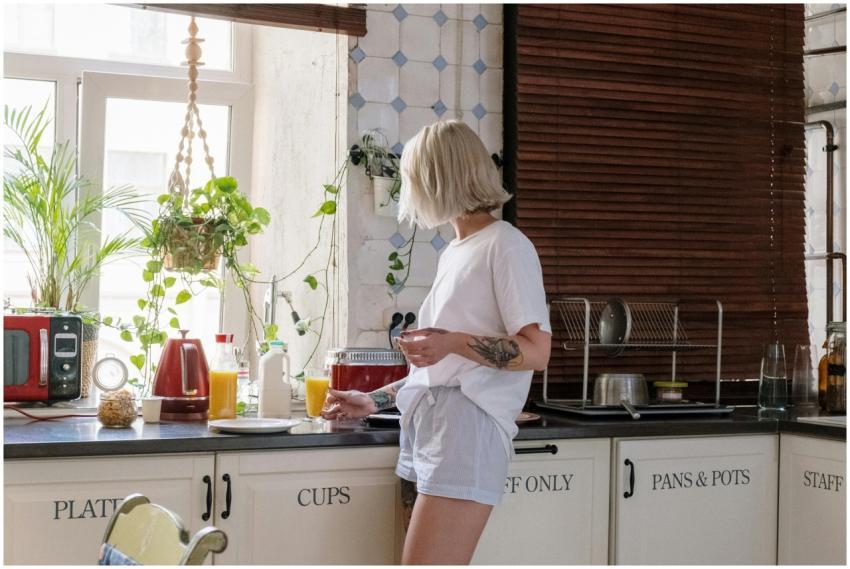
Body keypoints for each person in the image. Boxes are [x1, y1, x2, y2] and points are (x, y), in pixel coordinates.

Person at [322, 119, 551, 565]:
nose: (410, 192)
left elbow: (535, 351)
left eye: (413, 180)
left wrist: (451, 342)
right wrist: (373, 400)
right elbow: (439, 368)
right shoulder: (456, 251)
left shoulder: (507, 246)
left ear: (436, 179)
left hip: (468, 431)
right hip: (431, 428)